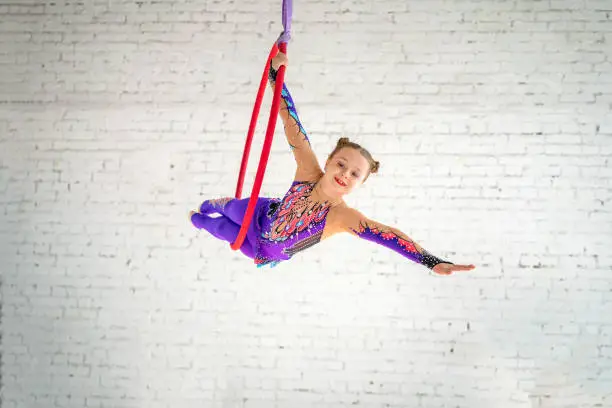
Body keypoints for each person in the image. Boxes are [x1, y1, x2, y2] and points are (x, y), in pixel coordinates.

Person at [190, 52, 475, 275]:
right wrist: (275, 77)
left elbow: (388, 235)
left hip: (263, 251)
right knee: (225, 209)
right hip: (257, 213)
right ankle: (210, 205)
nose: (344, 174)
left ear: (360, 183)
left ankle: (197, 219)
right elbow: (292, 125)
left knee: (217, 230)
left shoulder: (341, 217)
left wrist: (430, 261)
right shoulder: (308, 171)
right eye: (341, 164)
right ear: (328, 161)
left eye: (354, 174)